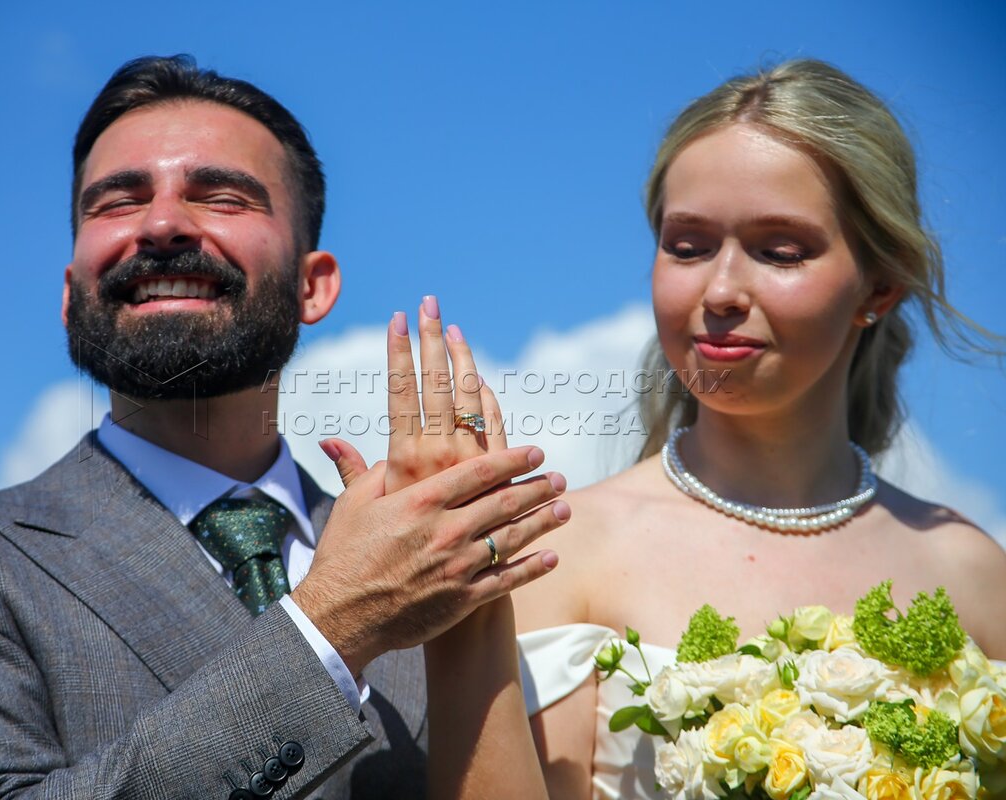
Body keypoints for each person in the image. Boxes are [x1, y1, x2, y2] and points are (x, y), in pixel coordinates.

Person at [0, 55, 568, 800]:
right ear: (70, 292)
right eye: (117, 203)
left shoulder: (443, 561)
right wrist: (336, 622)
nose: (161, 225)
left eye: (221, 197)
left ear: (312, 285)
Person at [336, 58, 1006, 800]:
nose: (720, 291)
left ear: (880, 287)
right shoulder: (559, 550)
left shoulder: (974, 573)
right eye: (687, 247)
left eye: (780, 251)